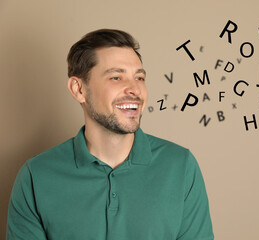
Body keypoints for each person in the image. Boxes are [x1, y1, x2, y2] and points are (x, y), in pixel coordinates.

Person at [6, 29, 214, 240]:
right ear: (78, 89)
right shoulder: (36, 176)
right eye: (116, 77)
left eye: (140, 77)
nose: (135, 89)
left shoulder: (181, 167)